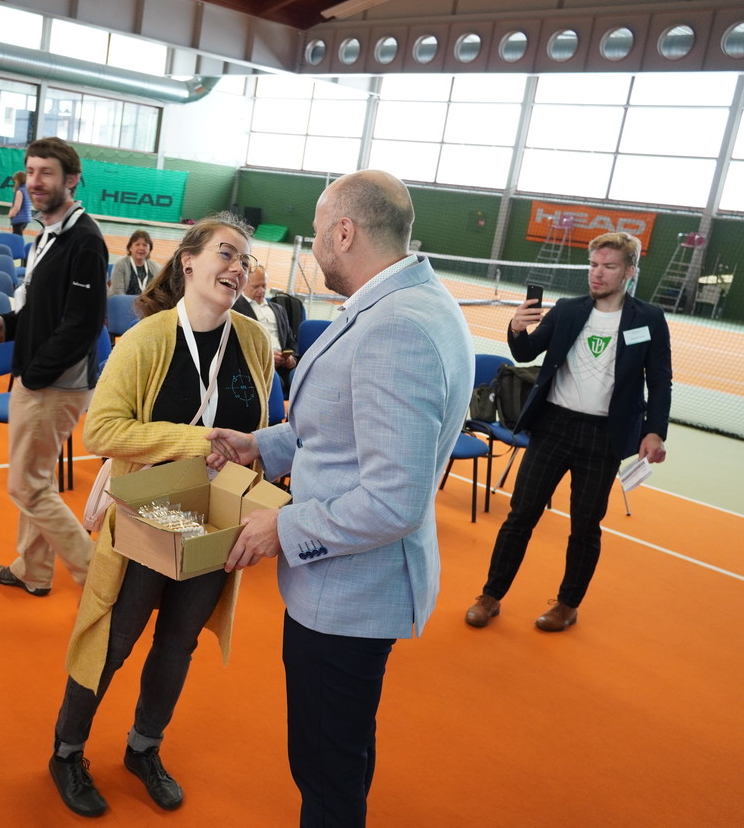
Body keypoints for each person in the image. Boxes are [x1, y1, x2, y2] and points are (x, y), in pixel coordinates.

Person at [207, 170, 474, 826]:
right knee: (341, 751)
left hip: (347, 596)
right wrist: (261, 445)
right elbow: (338, 430)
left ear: (345, 232)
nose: (318, 242)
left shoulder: (397, 328)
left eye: (321, 230)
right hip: (351, 588)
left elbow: (393, 500)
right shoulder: (411, 301)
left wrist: (283, 527)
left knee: (326, 772)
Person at [49, 214, 271, 818]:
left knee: (178, 643)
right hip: (147, 513)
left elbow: (256, 432)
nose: (237, 268)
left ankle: (144, 748)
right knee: (114, 640)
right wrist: (197, 441)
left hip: (215, 518)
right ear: (188, 262)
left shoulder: (254, 341)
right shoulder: (147, 339)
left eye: (245, 260)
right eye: (226, 254)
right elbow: (101, 430)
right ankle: (67, 752)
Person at [465, 232, 672, 633]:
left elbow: (660, 381)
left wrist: (654, 432)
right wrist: (516, 327)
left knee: (585, 527)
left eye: (609, 266)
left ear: (630, 271)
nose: (597, 273)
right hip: (553, 427)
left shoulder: (649, 319)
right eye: (593, 265)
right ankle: (490, 596)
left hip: (604, 437)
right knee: (520, 516)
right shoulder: (567, 309)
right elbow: (525, 353)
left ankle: (567, 605)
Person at [0, 137, 108, 597]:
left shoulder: (85, 241)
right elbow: (41, 308)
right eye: (31, 171)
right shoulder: (46, 235)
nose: (35, 181)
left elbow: (82, 324)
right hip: (39, 376)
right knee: (39, 478)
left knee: (26, 486)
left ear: (72, 180)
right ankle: (33, 570)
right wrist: (9, 324)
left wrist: (34, 376)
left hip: (54, 383)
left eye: (46, 173)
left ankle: (98, 578)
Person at [231, 265, 297, 394]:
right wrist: (267, 358)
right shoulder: (234, 309)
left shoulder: (279, 309)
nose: (261, 291)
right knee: (276, 381)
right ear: (243, 284)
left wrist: (291, 358)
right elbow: (237, 346)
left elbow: (290, 340)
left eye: (264, 286)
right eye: (256, 287)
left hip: (284, 366)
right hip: (257, 367)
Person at [107, 230, 163, 296]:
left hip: (147, 302)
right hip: (123, 301)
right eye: (137, 244)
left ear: (149, 249)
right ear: (130, 247)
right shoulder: (120, 264)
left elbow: (159, 290)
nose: (141, 248)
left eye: (145, 245)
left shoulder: (155, 267)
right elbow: (118, 293)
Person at [8, 170, 31, 236]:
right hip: (25, 219)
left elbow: (17, 207)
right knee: (17, 237)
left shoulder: (20, 191)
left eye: (15, 180)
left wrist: (10, 214)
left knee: (17, 238)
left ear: (18, 180)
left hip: (19, 219)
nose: (14, 182)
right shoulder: (27, 190)